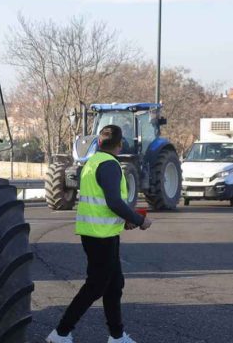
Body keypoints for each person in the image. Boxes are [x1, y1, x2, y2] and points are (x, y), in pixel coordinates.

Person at [47, 125, 152, 343]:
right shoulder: (110, 165)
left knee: (114, 285)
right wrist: (138, 219)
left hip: (99, 232)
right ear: (120, 144)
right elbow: (113, 201)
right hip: (100, 236)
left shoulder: (91, 163)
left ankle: (116, 336)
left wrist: (123, 221)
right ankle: (60, 333)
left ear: (99, 143)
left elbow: (101, 203)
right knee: (95, 286)